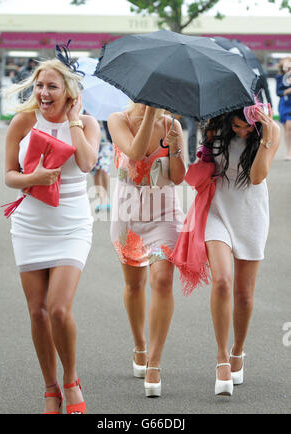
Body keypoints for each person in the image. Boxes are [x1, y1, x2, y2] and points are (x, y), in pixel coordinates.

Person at [4, 53, 100, 413]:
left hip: (72, 223)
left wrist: (74, 122)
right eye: (40, 85)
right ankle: (50, 388)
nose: (43, 92)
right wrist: (34, 179)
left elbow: (89, 163)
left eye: (52, 86)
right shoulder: (23, 122)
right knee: (38, 312)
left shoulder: (88, 123)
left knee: (58, 309)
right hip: (29, 223)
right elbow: (9, 175)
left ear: (69, 90)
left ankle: (71, 380)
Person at [200, 105, 280, 396]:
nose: (242, 131)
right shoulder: (215, 127)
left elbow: (257, 177)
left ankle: (237, 351)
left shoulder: (272, 131)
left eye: (248, 127)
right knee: (221, 280)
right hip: (218, 210)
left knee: (244, 293)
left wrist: (267, 135)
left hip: (251, 214)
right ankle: (221, 358)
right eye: (236, 126)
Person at [108, 103, 185, 397]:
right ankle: (139, 344)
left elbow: (178, 177)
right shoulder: (119, 119)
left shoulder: (171, 125)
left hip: (165, 215)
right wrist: (150, 115)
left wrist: (176, 145)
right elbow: (135, 153)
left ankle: (154, 361)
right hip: (128, 216)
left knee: (163, 281)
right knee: (134, 285)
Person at [91, 120, 113, 213]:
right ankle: (100, 199)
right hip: (93, 144)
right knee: (96, 171)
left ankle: (106, 197)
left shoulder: (106, 114)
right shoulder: (87, 112)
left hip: (106, 143)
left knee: (104, 168)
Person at [276, 57, 291, 160]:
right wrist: (287, 91)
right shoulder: (280, 77)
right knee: (288, 128)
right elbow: (278, 92)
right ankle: (288, 152)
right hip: (285, 104)